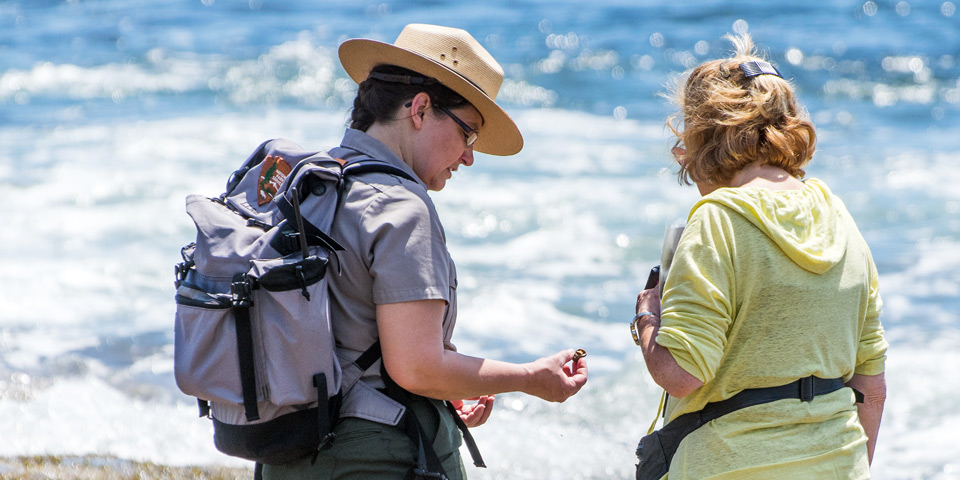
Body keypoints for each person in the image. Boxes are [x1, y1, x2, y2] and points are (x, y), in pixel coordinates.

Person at [262, 24, 588, 480]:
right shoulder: (402, 207)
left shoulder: (315, 184)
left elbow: (339, 336)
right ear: (419, 109)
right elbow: (416, 367)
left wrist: (447, 386)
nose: (470, 156)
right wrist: (531, 378)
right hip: (374, 458)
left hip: (289, 451)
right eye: (469, 133)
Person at [632, 33, 887, 478]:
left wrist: (648, 318)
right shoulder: (840, 218)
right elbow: (872, 386)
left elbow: (684, 375)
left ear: (705, 138)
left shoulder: (717, 219)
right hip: (840, 464)